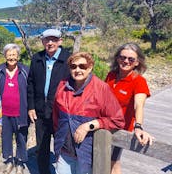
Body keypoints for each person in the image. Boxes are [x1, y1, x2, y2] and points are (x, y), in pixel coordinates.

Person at [53, 52, 125, 174]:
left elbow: (117, 120)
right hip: (64, 153)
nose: (77, 70)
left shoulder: (101, 88)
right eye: (73, 66)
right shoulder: (62, 86)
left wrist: (89, 125)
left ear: (90, 67)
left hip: (87, 155)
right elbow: (56, 117)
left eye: (82, 66)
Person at [27, 29, 71, 174]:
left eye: (54, 39)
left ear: (60, 41)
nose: (50, 42)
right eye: (47, 39)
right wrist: (31, 107)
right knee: (42, 147)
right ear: (42, 41)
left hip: (60, 112)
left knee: (62, 147)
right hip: (40, 111)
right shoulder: (37, 58)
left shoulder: (68, 59)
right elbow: (30, 84)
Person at [105, 43, 153, 174]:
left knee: (111, 162)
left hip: (120, 129)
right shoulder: (111, 75)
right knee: (109, 161)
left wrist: (138, 126)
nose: (126, 61)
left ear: (137, 62)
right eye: (122, 57)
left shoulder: (138, 81)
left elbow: (139, 105)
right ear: (117, 58)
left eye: (131, 59)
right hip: (103, 125)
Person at [0, 44, 29, 174]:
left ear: (18, 56)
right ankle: (8, 161)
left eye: (14, 55)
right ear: (5, 56)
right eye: (9, 55)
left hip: (21, 112)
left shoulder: (25, 70)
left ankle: (20, 162)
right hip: (4, 113)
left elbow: (30, 91)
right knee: (6, 138)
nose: (11, 57)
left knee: (21, 138)